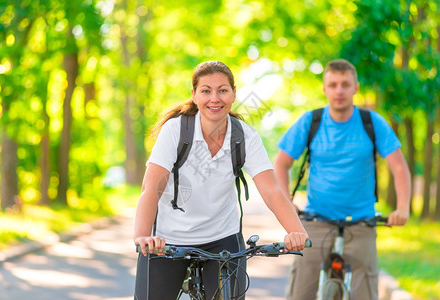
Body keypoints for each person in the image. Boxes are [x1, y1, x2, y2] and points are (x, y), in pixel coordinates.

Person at [134, 60, 309, 300]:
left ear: (234, 94)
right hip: (169, 240)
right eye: (206, 90)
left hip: (222, 239)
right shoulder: (176, 131)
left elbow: (271, 190)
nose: (214, 98)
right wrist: (143, 236)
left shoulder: (244, 136)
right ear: (194, 95)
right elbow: (151, 188)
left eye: (222, 90)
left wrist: (295, 231)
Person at [274, 59, 411, 300]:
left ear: (355, 88)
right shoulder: (311, 121)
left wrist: (402, 208)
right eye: (333, 84)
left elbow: (399, 168)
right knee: (300, 291)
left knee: (365, 290)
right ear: (325, 89)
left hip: (362, 222)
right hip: (316, 220)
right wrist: (288, 202)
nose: (339, 90)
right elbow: (281, 163)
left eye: (345, 84)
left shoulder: (372, 122)